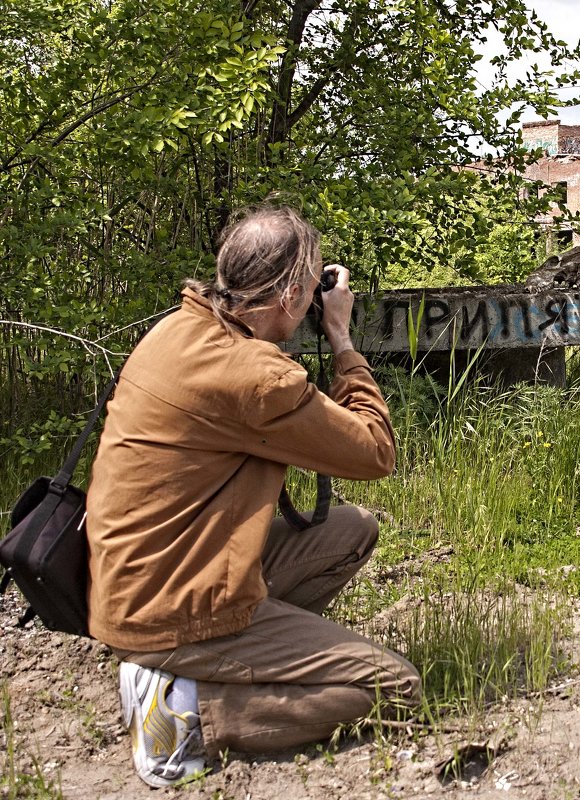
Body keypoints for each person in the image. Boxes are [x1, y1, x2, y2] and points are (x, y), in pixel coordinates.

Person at [85, 205, 420, 788]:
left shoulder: (181, 328)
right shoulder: (253, 377)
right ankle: (188, 716)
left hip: (139, 579)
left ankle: (224, 663)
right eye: (315, 282)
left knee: (350, 530)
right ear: (293, 295)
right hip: (172, 605)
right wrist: (341, 338)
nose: (321, 293)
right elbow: (374, 452)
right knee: (393, 687)